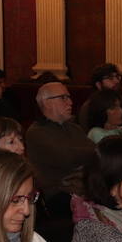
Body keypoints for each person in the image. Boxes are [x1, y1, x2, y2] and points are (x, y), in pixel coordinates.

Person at [25, 81, 95, 215]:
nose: (70, 102)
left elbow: (95, 152)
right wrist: (83, 155)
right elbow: (66, 158)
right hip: (57, 193)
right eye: (63, 97)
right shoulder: (36, 132)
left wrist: (80, 154)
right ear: (46, 103)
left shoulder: (74, 128)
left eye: (69, 97)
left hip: (82, 187)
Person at [77, 63, 122, 131]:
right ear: (98, 85)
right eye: (110, 78)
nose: (116, 81)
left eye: (117, 77)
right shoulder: (89, 107)